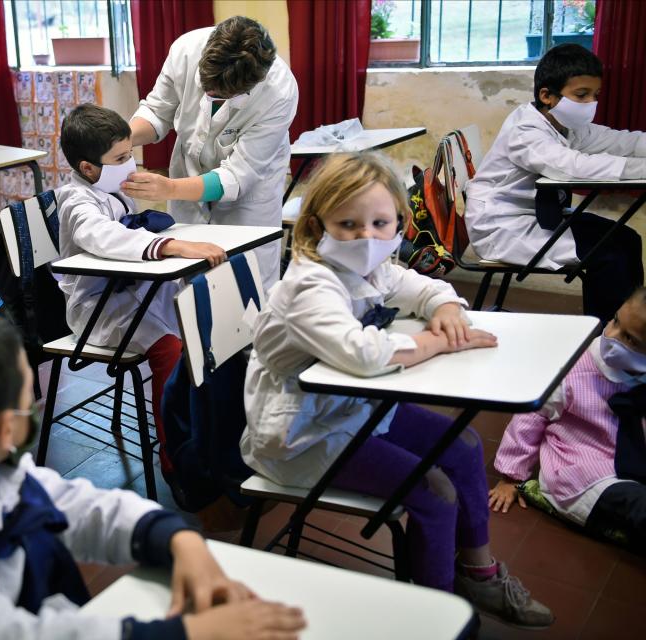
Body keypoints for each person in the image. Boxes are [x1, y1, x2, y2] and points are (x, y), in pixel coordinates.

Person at [0, 308, 307, 640]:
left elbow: (76, 505)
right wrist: (187, 633)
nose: (34, 408)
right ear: (5, 429)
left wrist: (174, 538)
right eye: (29, 402)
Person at [239, 152, 553, 628]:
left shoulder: (373, 266)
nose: (367, 236)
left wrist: (446, 307)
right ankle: (434, 616)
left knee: (463, 446)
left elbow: (420, 288)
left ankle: (479, 573)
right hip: (300, 434)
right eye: (347, 224)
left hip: (350, 410)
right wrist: (434, 342)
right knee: (435, 490)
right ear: (315, 227)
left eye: (380, 223)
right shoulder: (310, 284)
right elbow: (364, 355)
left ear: (399, 225)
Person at [57, 103, 226, 472]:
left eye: (130, 153)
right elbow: (104, 236)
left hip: (137, 296)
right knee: (170, 350)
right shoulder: (75, 201)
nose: (130, 163)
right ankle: (177, 459)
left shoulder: (112, 190)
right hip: (100, 310)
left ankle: (214, 435)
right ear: (88, 168)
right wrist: (171, 246)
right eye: (120, 157)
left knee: (207, 329)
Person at [465, 43, 646, 324]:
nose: (591, 104)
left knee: (627, 239)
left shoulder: (565, 125)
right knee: (609, 254)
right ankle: (606, 341)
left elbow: (622, 141)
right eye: (581, 95)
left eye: (595, 95)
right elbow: (571, 166)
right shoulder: (526, 131)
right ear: (547, 95)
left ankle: (633, 333)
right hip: (502, 226)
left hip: (537, 215)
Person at [126, 16, 299, 292]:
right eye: (206, 89)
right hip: (189, 169)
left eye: (220, 95)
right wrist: (123, 138)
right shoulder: (185, 50)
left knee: (245, 282)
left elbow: (236, 177)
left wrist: (170, 188)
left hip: (250, 192)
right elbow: (158, 112)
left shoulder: (279, 92)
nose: (209, 97)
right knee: (189, 277)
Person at [490, 288, 646, 546]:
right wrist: (511, 477)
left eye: (630, 339)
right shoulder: (576, 371)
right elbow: (528, 419)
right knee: (636, 503)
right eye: (616, 321)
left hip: (633, 456)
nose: (612, 337)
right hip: (586, 467)